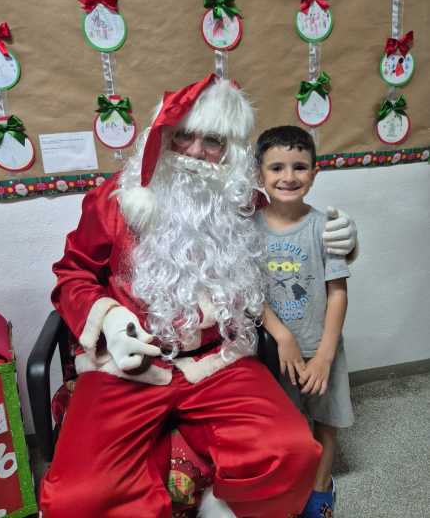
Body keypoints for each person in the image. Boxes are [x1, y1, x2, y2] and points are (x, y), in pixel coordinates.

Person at [39, 75, 356, 518]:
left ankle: (222, 502)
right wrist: (107, 318)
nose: (194, 151)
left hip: (218, 361)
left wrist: (344, 238)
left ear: (230, 151)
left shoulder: (239, 201)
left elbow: (293, 220)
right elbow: (73, 273)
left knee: (291, 450)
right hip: (131, 365)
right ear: (163, 136)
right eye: (183, 136)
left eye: (213, 141)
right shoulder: (116, 200)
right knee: (77, 497)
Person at [255, 125, 354, 518]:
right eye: (276, 167)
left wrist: (326, 355)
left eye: (299, 167)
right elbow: (250, 294)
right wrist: (282, 336)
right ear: (259, 174)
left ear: (314, 173)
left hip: (323, 348)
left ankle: (321, 485)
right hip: (278, 356)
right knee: (290, 427)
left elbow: (338, 292)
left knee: (326, 421)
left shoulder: (325, 227)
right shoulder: (248, 230)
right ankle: (295, 485)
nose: (288, 176)